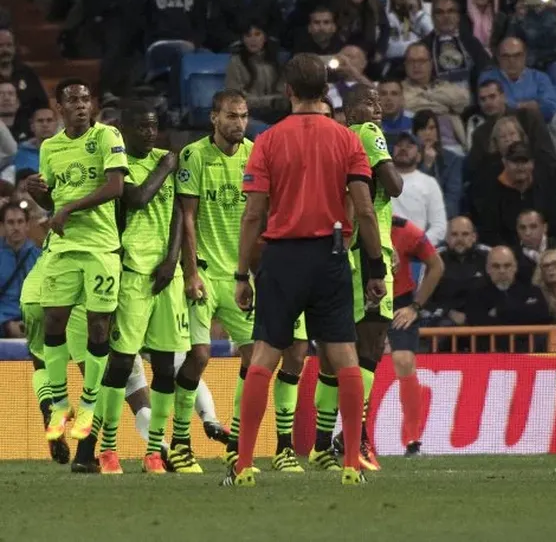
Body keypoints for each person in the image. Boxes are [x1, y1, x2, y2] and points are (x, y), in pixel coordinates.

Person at [226, 55, 387, 487]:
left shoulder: (267, 141)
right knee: (345, 356)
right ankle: (351, 464)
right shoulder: (347, 139)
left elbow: (253, 214)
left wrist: (241, 275)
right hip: (330, 256)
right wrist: (374, 267)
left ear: (288, 91)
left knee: (265, 355)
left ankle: (243, 466)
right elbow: (366, 210)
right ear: (327, 90)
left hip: (281, 258)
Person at [23, 80, 127, 446]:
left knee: (98, 326)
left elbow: (115, 187)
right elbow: (54, 202)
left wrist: (68, 207)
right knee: (53, 319)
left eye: (85, 99)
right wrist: (41, 195)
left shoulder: (107, 136)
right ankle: (59, 404)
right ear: (60, 107)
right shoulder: (50, 147)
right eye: (73, 100)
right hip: (64, 246)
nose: (81, 105)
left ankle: (88, 403)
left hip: (101, 247)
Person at [310, 82, 403, 474]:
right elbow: (394, 185)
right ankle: (355, 436)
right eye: (368, 102)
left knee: (335, 354)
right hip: (367, 249)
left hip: (343, 248)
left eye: (379, 102)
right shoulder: (367, 133)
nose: (377, 108)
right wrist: (378, 256)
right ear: (350, 112)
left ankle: (321, 444)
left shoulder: (340, 140)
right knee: (370, 344)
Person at [90, 102, 186, 474]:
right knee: (121, 363)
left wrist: (173, 260)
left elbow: (179, 212)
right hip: (132, 272)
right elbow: (137, 198)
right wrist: (165, 167)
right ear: (125, 129)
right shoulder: (119, 165)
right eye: (142, 127)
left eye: (153, 126)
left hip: (166, 276)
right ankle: (108, 449)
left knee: (164, 367)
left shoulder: (167, 159)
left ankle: (153, 452)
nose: (149, 133)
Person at [172, 90, 258, 474]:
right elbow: (186, 218)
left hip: (239, 275)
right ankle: (180, 443)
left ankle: (237, 445)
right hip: (204, 270)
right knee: (200, 355)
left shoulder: (255, 155)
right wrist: (190, 272)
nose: (239, 123)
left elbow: (259, 215)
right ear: (214, 118)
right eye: (231, 116)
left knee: (256, 359)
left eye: (243, 116)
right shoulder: (194, 156)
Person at [387, 215, 445, 455]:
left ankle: (412, 439)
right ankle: (344, 436)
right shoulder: (348, 226)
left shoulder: (405, 229)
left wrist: (416, 306)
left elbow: (436, 265)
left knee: (403, 359)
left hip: (398, 301)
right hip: (359, 300)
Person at [0, 202, 41, 338]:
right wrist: (6, 325)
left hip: (36, 324)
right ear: (3, 226)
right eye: (10, 222)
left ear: (27, 225)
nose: (16, 227)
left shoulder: (41, 257)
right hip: (4, 323)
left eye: (20, 222)